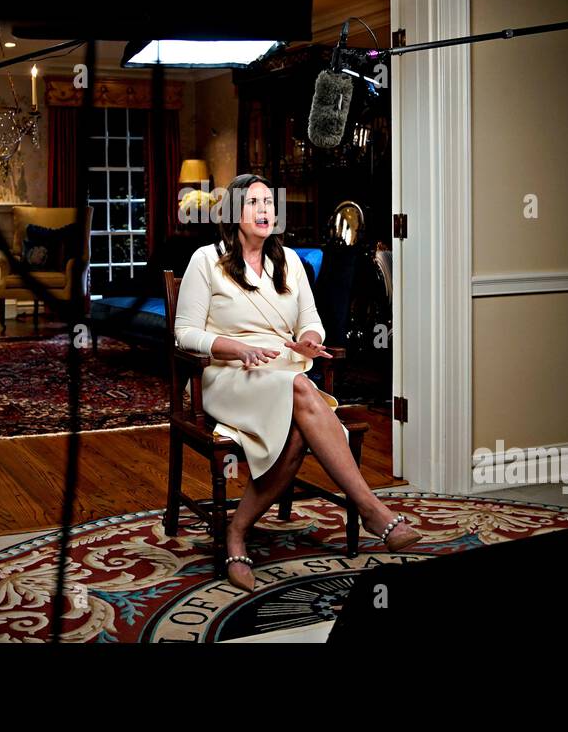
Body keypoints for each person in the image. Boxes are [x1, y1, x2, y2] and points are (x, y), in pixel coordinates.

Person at [172, 173, 422, 592]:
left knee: (295, 427)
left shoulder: (289, 262)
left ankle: (235, 533)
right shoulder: (206, 260)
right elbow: (184, 334)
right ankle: (373, 509)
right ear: (233, 211)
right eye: (254, 202)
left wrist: (311, 340)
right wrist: (234, 348)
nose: (265, 210)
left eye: (270, 202)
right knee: (303, 391)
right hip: (226, 376)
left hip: (282, 373)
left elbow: (311, 322)